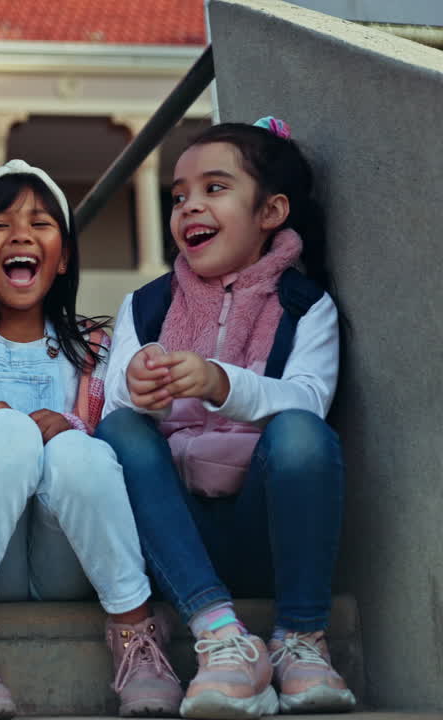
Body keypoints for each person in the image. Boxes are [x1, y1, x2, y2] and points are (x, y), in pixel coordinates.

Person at [0, 160, 181, 719]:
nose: (22, 234)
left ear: (65, 255)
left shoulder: (95, 351)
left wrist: (71, 427)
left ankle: (136, 636)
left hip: (65, 554)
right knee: (5, 432)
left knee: (78, 448)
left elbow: (120, 451)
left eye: (41, 223)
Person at [95, 117, 354, 718]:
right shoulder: (148, 304)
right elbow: (112, 405)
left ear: (271, 211)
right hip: (176, 540)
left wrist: (220, 383)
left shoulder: (304, 305)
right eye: (179, 195)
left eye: (215, 188)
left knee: (301, 433)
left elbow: (310, 399)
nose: (189, 206)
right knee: (117, 430)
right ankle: (221, 638)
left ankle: (300, 639)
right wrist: (138, 388)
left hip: (264, 527)